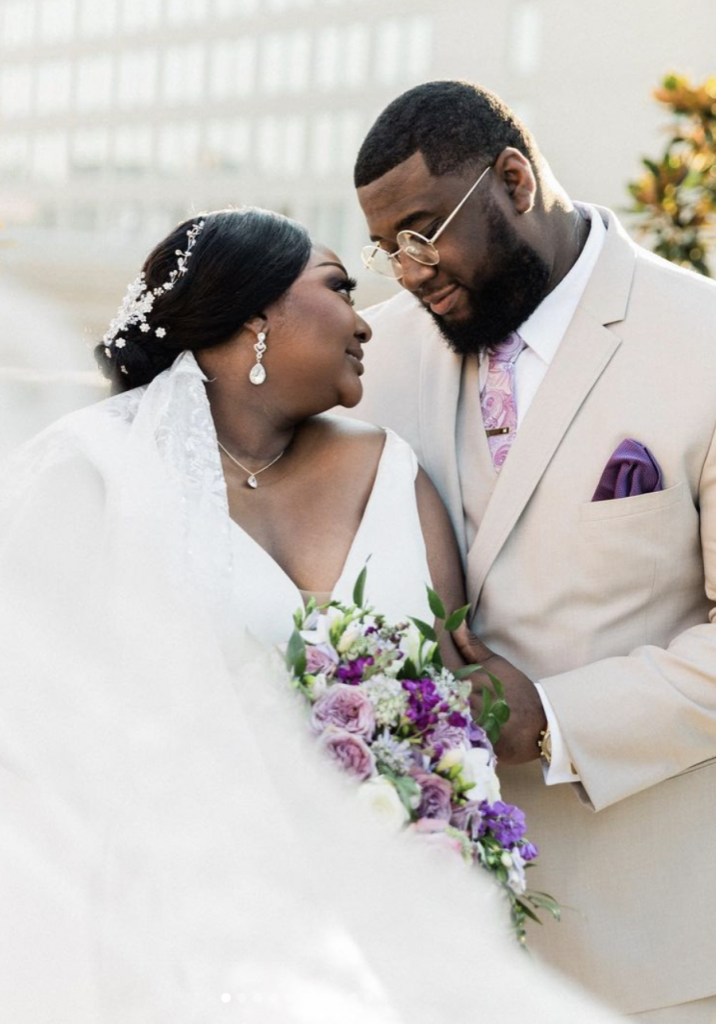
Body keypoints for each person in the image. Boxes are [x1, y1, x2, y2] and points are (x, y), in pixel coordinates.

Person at [0, 205, 622, 1022]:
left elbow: (449, 694)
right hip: (188, 936)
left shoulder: (391, 469)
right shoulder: (93, 475)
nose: (364, 321)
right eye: (337, 287)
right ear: (254, 313)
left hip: (391, 935)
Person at [348, 80, 716, 1022]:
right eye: (389, 249)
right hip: (434, 949)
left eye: (426, 232)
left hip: (652, 952)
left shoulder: (703, 344)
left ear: (513, 180)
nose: (411, 270)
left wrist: (554, 718)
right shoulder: (379, 354)